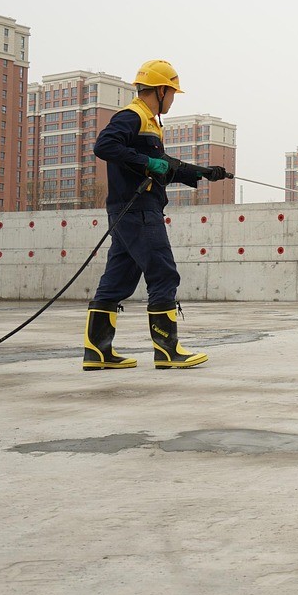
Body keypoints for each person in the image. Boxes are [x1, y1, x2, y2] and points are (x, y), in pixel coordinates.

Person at [82, 59, 231, 371]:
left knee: (117, 280)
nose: (174, 98)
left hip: (128, 210)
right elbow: (105, 146)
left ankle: (97, 352)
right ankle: (167, 351)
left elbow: (161, 165)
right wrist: (146, 163)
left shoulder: (149, 122)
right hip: (138, 210)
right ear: (161, 90)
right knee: (162, 272)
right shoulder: (132, 115)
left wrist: (203, 172)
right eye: (172, 92)